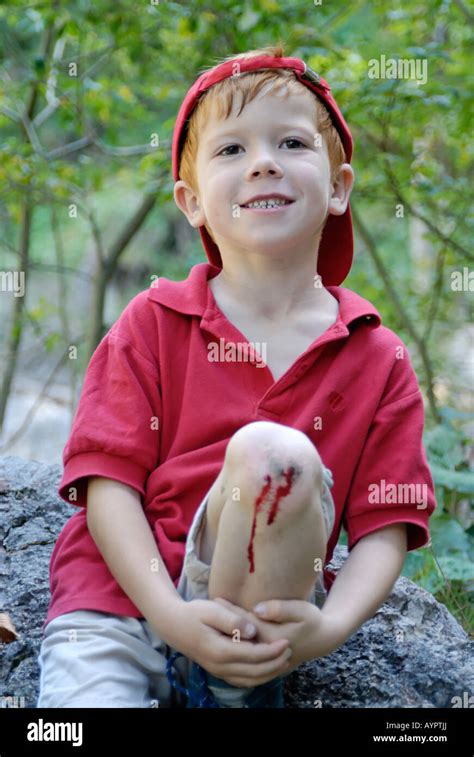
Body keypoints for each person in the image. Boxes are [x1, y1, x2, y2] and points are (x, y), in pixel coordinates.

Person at [36, 43, 437, 709]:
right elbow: (108, 485)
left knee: (276, 454)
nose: (263, 161)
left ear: (339, 187)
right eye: (231, 150)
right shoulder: (152, 321)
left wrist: (330, 628)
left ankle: (220, 689)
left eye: (290, 142)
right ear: (191, 202)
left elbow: (385, 526)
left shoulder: (376, 355)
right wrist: (168, 615)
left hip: (252, 634)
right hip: (117, 611)